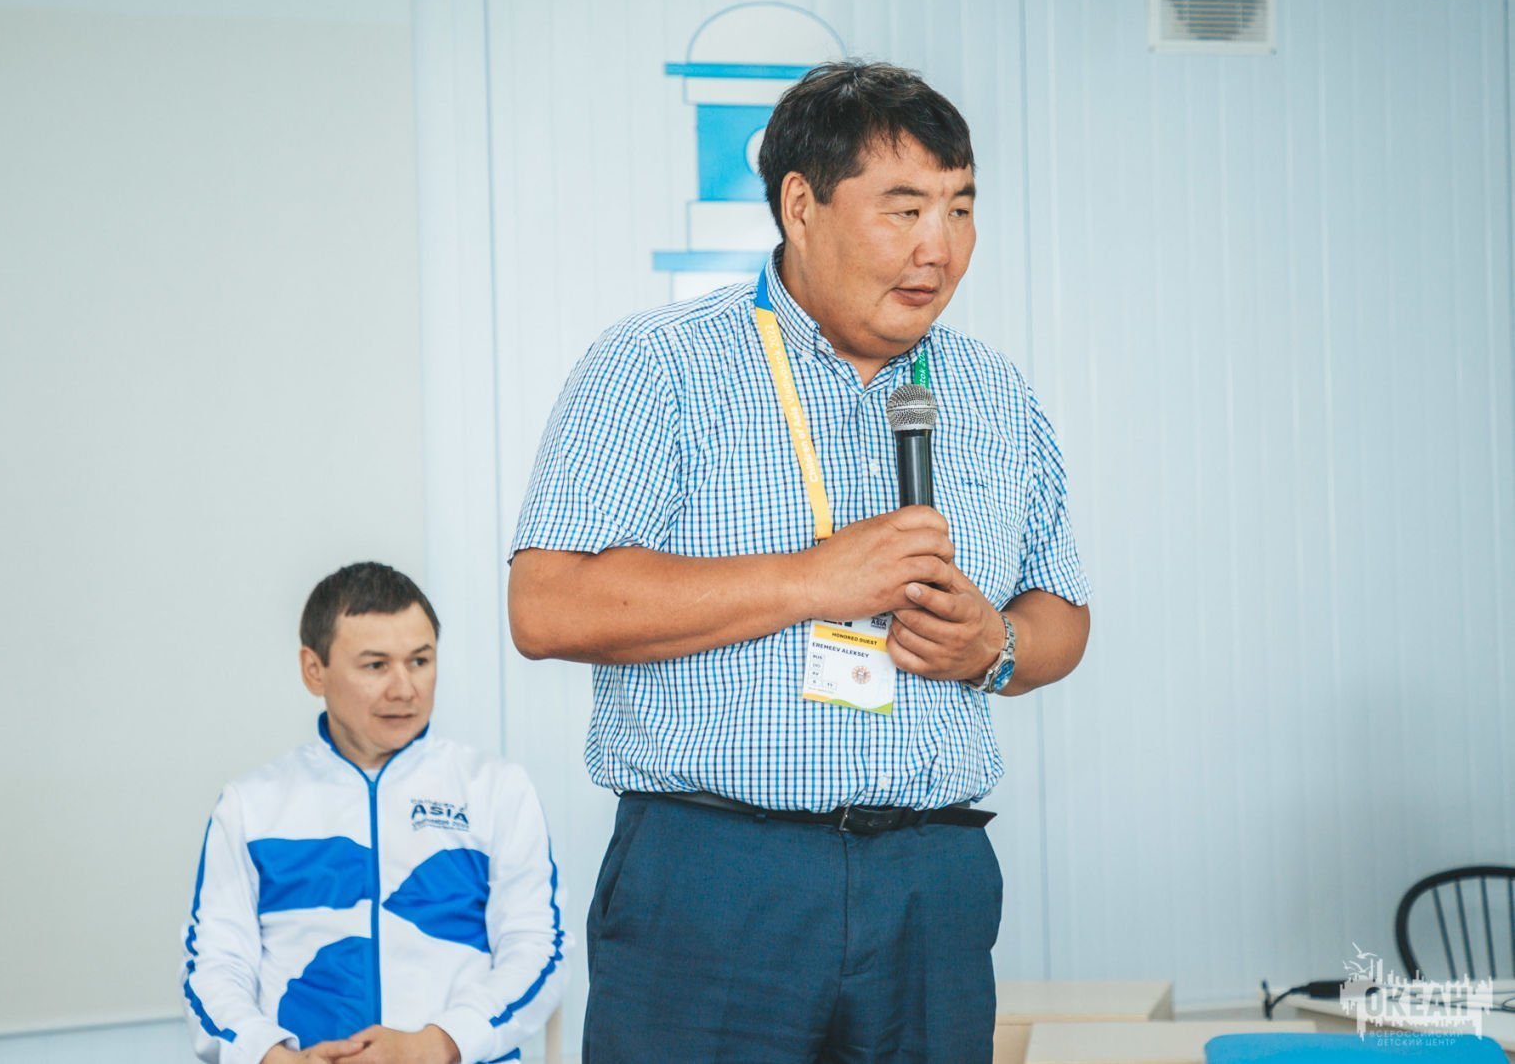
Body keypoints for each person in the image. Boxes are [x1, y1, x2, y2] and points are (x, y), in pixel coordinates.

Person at [508, 61, 1091, 1063]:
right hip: (718, 878)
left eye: (959, 209)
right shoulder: (658, 365)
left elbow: (1062, 616)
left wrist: (994, 644)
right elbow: (547, 605)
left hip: (931, 878)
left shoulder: (996, 393)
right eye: (903, 209)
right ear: (800, 205)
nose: (939, 247)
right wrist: (815, 578)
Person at [181, 562, 564, 1064]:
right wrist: (273, 1057)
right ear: (313, 670)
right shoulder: (251, 805)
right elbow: (214, 966)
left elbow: (538, 949)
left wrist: (434, 1045)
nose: (404, 689)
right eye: (376, 665)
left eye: (420, 661)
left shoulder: (496, 789)